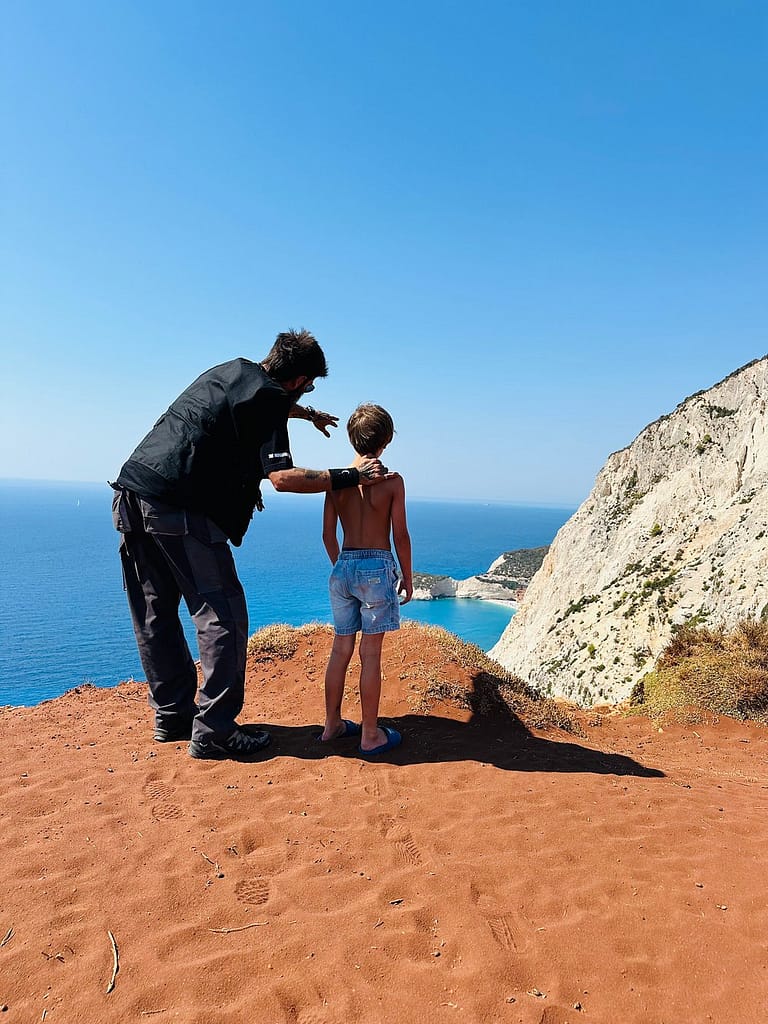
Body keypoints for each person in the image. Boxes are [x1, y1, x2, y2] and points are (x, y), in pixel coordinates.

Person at [111, 329, 389, 761]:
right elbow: (282, 479)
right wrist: (351, 475)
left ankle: (172, 717)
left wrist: (305, 413)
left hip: (132, 493)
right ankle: (215, 732)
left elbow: (250, 401)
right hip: (180, 507)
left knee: (155, 613)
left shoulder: (233, 369)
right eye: (309, 384)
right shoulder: (271, 399)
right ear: (296, 379)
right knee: (223, 614)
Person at [319, 403, 413, 756]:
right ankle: (370, 734)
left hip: (343, 566)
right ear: (386, 440)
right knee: (370, 654)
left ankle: (331, 725)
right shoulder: (392, 482)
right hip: (376, 566)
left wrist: (343, 566)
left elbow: (329, 535)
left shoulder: (336, 481)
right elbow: (400, 535)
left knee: (340, 649)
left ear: (352, 439)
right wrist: (407, 575)